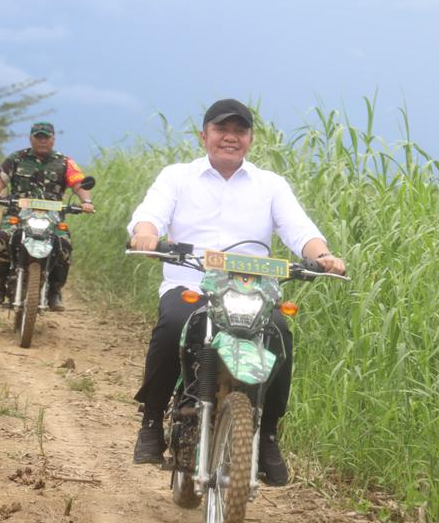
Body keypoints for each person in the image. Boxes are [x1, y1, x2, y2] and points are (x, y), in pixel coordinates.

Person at [126, 99, 346, 486]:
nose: (230, 137)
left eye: (239, 131)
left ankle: (268, 437)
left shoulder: (271, 185)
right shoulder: (177, 177)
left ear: (250, 138)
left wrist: (322, 255)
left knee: (279, 332)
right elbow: (151, 213)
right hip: (191, 282)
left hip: (252, 290)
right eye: (221, 130)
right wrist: (146, 232)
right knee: (174, 323)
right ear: (204, 135)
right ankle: (150, 422)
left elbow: (300, 231)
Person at [0, 122, 94, 311]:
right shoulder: (16, 158)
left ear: (53, 139)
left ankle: (54, 291)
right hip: (17, 215)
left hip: (52, 218)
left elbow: (79, 185)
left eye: (46, 137)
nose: (42, 141)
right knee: (2, 239)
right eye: (38, 137)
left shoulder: (65, 162)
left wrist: (86, 202)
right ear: (31, 139)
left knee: (64, 245)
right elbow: (0, 179)